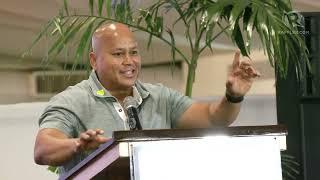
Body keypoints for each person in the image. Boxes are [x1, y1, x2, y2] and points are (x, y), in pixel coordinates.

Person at [34, 23, 260, 175]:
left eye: (133, 52)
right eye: (118, 54)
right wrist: (77, 145)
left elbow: (213, 118)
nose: (129, 61)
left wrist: (233, 96)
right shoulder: (72, 101)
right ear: (94, 60)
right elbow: (43, 149)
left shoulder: (160, 96)